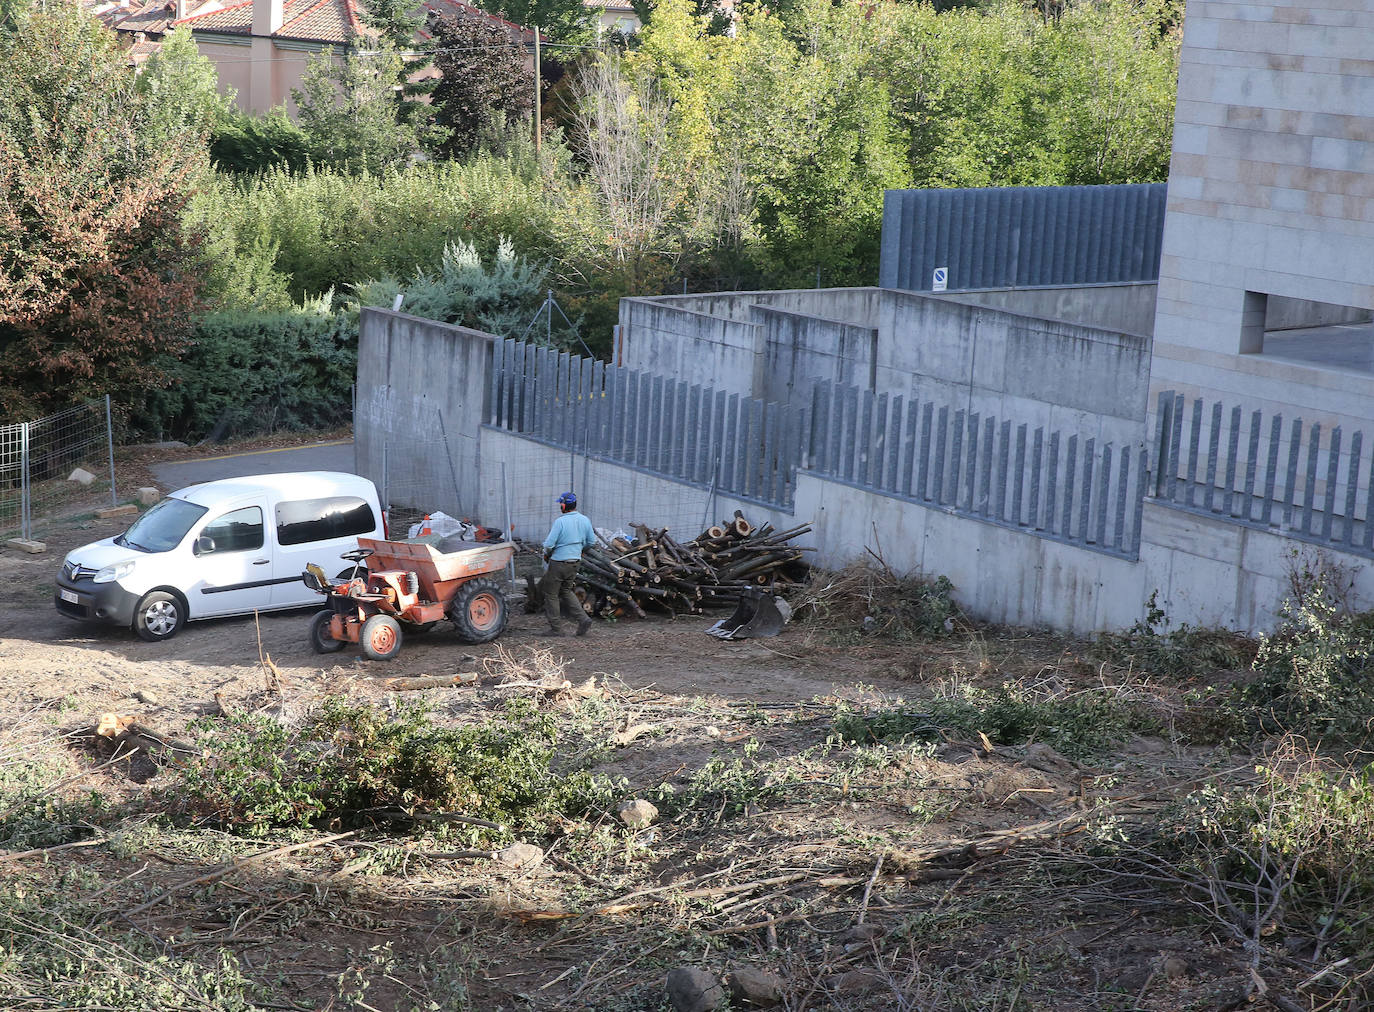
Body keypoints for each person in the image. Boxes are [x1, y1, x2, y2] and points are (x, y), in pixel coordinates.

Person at [539, 491, 595, 637]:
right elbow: (591, 542)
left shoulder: (560, 522)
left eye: (560, 504)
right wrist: (581, 551)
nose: (560, 506)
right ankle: (583, 619)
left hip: (558, 563)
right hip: (575, 562)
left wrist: (546, 554)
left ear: (564, 505)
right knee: (566, 590)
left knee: (551, 594)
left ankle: (556, 629)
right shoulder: (585, 520)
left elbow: (549, 544)